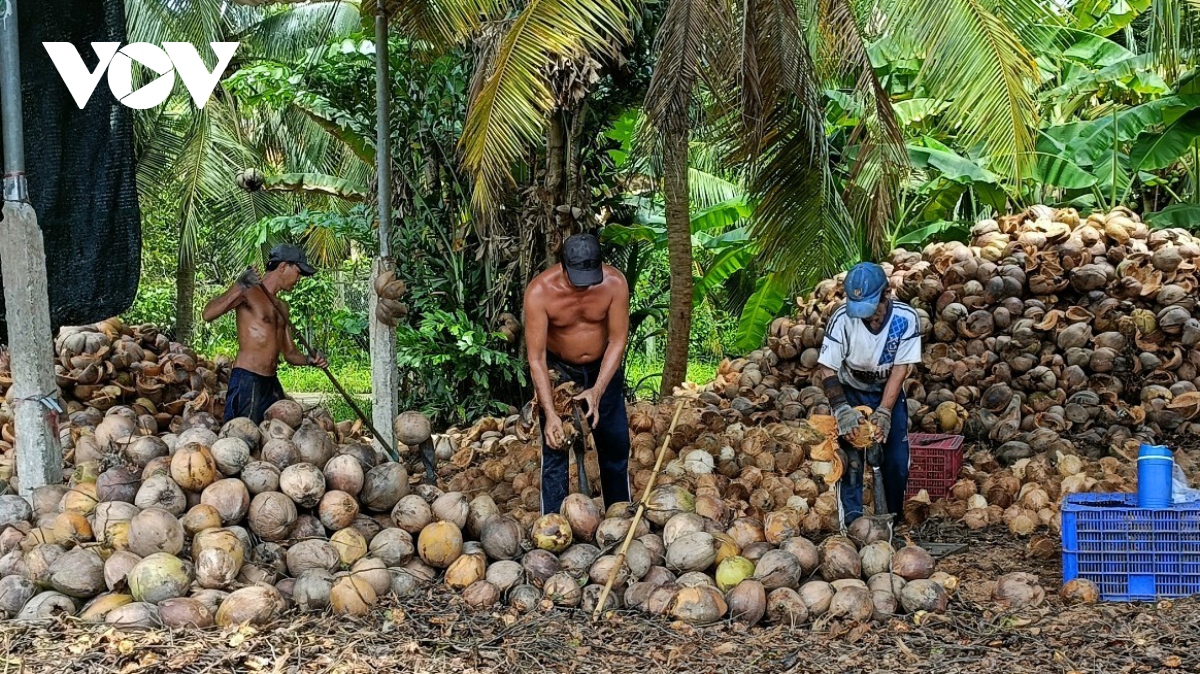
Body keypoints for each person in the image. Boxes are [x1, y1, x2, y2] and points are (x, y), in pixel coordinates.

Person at [524, 233, 631, 515]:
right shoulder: (539, 292)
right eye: (577, 278)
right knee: (556, 445)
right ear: (562, 267)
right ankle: (553, 525)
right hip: (560, 371)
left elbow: (618, 340)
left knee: (615, 444)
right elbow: (536, 358)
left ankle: (619, 516)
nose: (584, 287)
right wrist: (550, 414)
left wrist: (597, 389)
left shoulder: (615, 283)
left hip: (602, 368)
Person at [816, 261, 921, 524]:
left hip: (888, 391)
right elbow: (827, 369)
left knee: (895, 461)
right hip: (850, 391)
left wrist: (885, 410)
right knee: (850, 463)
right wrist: (841, 409)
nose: (867, 317)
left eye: (872, 309)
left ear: (885, 295)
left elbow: (900, 370)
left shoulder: (905, 319)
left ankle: (891, 521)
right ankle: (852, 526)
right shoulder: (842, 320)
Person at [202, 243, 328, 424]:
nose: (299, 278)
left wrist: (310, 360)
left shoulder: (282, 307)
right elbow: (208, 313)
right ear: (283, 266)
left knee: (280, 435)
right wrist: (239, 285)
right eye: (298, 272)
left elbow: (290, 354)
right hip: (247, 379)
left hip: (271, 382)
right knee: (244, 436)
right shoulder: (249, 292)